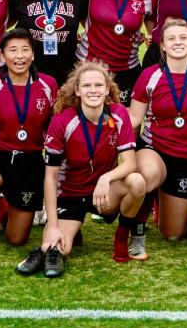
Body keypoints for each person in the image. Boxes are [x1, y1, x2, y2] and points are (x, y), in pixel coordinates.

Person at [15, 61, 145, 277]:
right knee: (60, 247)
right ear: (77, 90)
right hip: (70, 194)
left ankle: (121, 238)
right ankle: (44, 249)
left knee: (137, 182)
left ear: (107, 89)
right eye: (86, 86)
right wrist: (53, 224)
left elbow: (131, 163)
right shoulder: (62, 122)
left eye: (98, 85)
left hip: (102, 194)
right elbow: (50, 177)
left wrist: (105, 178)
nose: (93, 90)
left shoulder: (119, 114)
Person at [0, 29, 58, 251]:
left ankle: (3, 205)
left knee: (17, 239)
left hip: (30, 161)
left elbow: (55, 127)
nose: (19, 56)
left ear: (33, 55)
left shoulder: (48, 85)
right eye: (13, 50)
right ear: (2, 55)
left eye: (25, 50)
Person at [129, 19, 187, 254]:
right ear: (162, 45)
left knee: (174, 234)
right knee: (149, 174)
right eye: (171, 39)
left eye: (183, 38)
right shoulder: (150, 76)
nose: (178, 42)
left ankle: (164, 201)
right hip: (154, 149)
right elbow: (134, 118)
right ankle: (138, 228)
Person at [76, 0, 154, 104]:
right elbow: (77, 11)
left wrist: (147, 36)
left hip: (126, 72)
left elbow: (153, 28)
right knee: (86, 124)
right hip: (88, 67)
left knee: (127, 124)